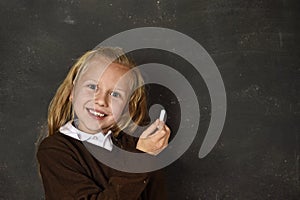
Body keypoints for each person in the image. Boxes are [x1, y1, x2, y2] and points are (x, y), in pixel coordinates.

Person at [37, 47, 171, 199]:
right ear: (72, 92)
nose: (101, 101)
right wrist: (140, 160)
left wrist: (144, 157)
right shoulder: (55, 150)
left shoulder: (135, 147)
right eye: (92, 87)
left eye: (115, 94)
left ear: (127, 106)